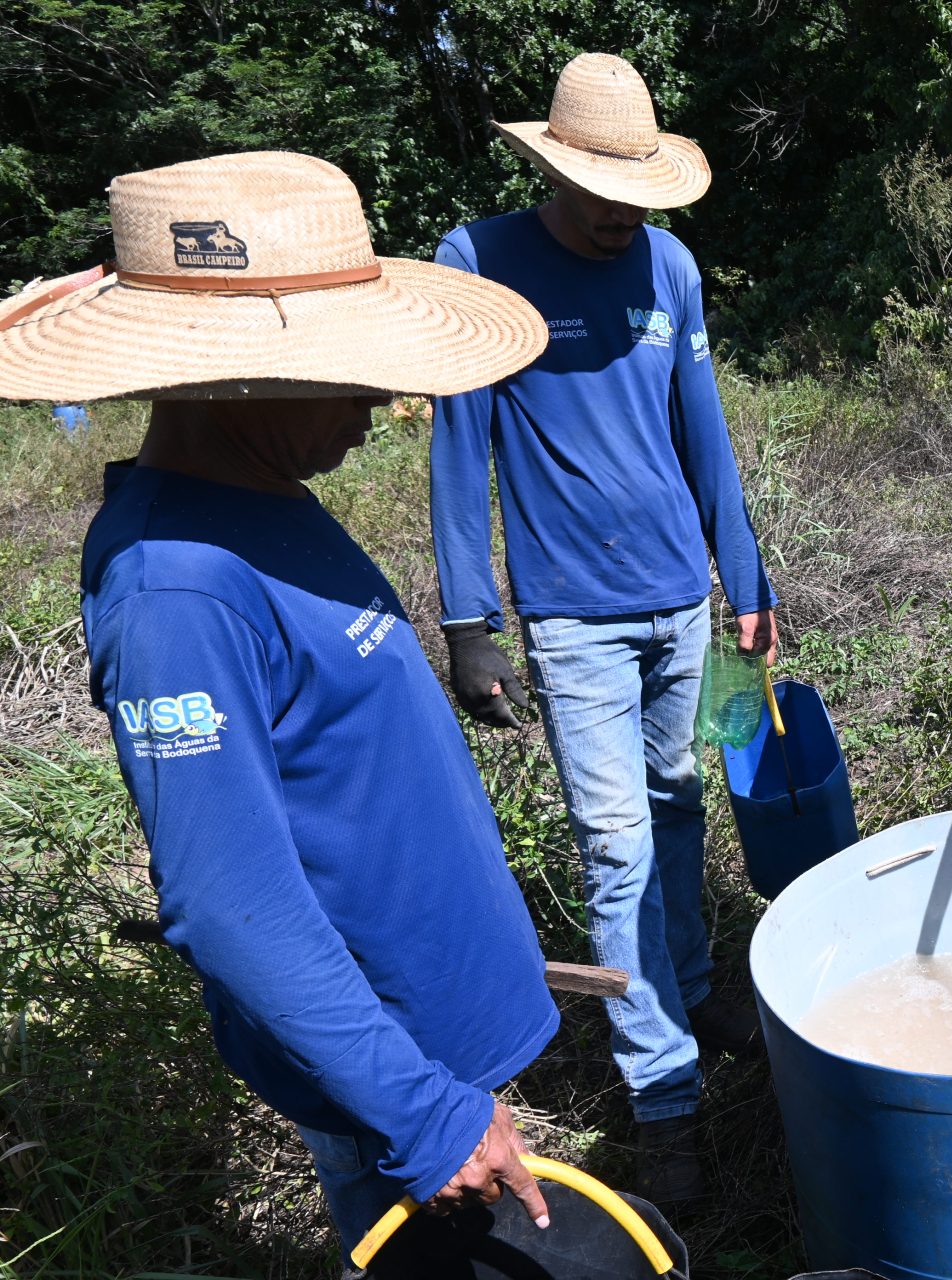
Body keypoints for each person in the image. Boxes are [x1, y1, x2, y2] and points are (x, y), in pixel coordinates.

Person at [0, 151, 560, 1260]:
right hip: (393, 1082)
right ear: (233, 383)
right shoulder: (175, 588)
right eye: (346, 373)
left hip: (429, 1045)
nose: (380, 401)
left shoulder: (263, 497)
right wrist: (425, 1114)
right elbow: (229, 901)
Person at [430, 53, 777, 1205]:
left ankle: (693, 986)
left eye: (637, 194)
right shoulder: (482, 263)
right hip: (573, 617)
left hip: (681, 603)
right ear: (553, 170)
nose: (621, 215)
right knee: (618, 846)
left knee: (678, 805)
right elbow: (458, 446)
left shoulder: (668, 265)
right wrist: (468, 620)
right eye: (601, 193)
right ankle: (663, 1093)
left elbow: (704, 435)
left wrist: (745, 580)